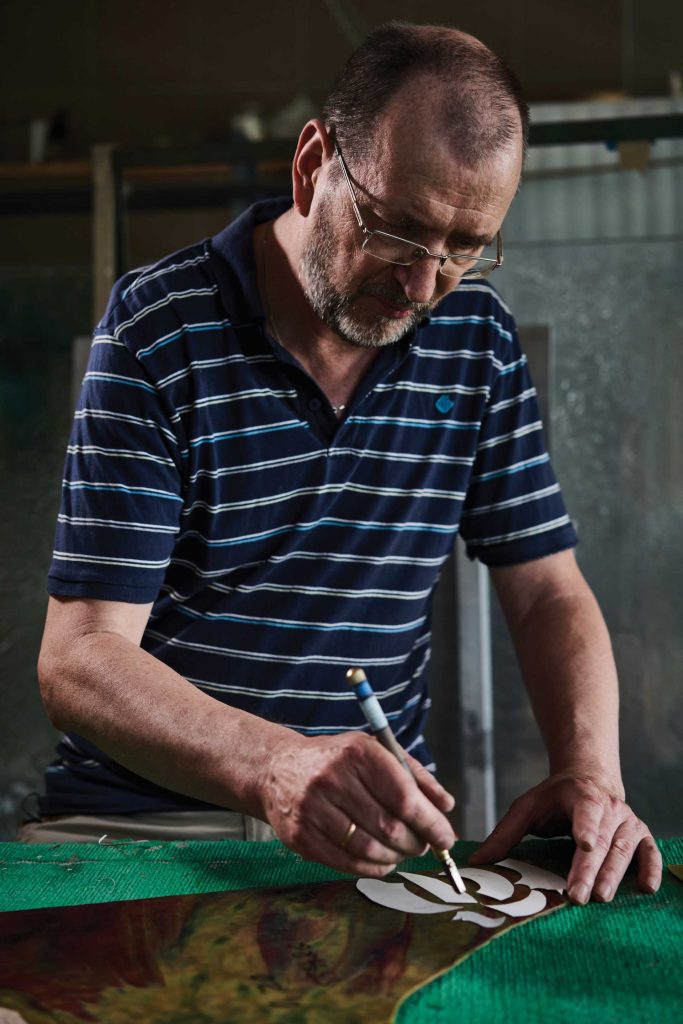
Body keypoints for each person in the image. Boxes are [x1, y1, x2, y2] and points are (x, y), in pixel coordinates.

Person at [30, 22, 661, 904]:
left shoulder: (474, 340)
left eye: (464, 246)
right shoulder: (158, 328)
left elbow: (548, 589)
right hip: (145, 823)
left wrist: (591, 772)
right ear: (312, 165)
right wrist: (274, 766)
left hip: (372, 841)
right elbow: (80, 657)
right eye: (397, 231)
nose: (420, 284)